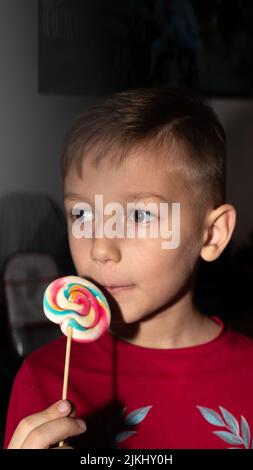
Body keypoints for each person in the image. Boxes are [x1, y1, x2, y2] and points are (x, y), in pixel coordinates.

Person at [4, 87, 253, 449]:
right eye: (83, 214)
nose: (101, 248)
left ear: (212, 234)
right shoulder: (44, 380)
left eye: (138, 215)